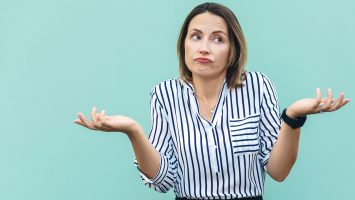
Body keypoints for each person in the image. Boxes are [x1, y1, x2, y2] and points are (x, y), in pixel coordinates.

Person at [73, 2, 350, 200]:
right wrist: (132, 130)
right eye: (196, 37)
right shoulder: (164, 95)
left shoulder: (259, 87)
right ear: (185, 45)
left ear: (233, 50)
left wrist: (292, 117)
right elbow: (162, 180)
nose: (204, 47)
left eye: (218, 39)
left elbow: (278, 171)